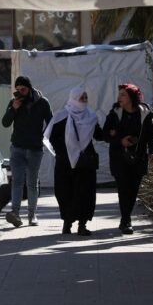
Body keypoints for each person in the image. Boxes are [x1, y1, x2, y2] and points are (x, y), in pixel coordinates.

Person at [43, 86, 103, 236]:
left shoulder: (90, 117)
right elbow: (52, 137)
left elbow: (99, 135)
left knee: (85, 193)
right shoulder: (61, 116)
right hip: (65, 162)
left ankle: (82, 225)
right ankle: (67, 222)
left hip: (84, 163)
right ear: (73, 98)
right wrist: (65, 152)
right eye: (81, 98)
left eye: (85, 98)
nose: (84, 101)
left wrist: (113, 131)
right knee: (65, 192)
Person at [102, 84, 153, 235]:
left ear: (132, 97)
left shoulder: (145, 114)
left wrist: (152, 150)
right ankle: (126, 220)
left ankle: (126, 218)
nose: (119, 98)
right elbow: (104, 134)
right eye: (119, 94)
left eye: (123, 95)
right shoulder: (115, 114)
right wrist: (120, 141)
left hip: (138, 157)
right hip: (119, 157)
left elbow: (152, 134)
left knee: (133, 189)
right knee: (123, 188)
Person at [1, 75, 53, 227]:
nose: (19, 93)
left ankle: (32, 215)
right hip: (17, 148)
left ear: (29, 89)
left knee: (31, 183)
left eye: (22, 89)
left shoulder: (42, 103)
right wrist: (13, 109)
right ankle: (15, 214)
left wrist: (43, 138)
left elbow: (51, 122)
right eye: (17, 90)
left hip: (35, 149)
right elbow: (5, 123)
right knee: (17, 181)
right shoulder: (14, 103)